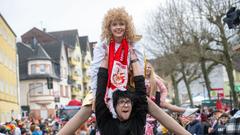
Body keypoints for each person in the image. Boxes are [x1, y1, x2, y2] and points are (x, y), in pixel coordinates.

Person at [58, 7, 191, 135]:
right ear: (109, 27)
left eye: (121, 24)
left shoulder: (133, 44)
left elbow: (139, 70)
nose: (118, 27)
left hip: (128, 85)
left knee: (153, 108)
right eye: (114, 24)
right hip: (104, 85)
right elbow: (96, 72)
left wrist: (136, 91)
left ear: (126, 26)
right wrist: (97, 94)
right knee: (86, 109)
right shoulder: (102, 46)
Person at [95, 46, 148, 135]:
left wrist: (134, 60)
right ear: (114, 106)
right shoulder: (106, 123)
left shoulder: (137, 121)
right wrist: (106, 58)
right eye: (121, 102)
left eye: (128, 102)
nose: (126, 105)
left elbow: (141, 90)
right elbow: (100, 92)